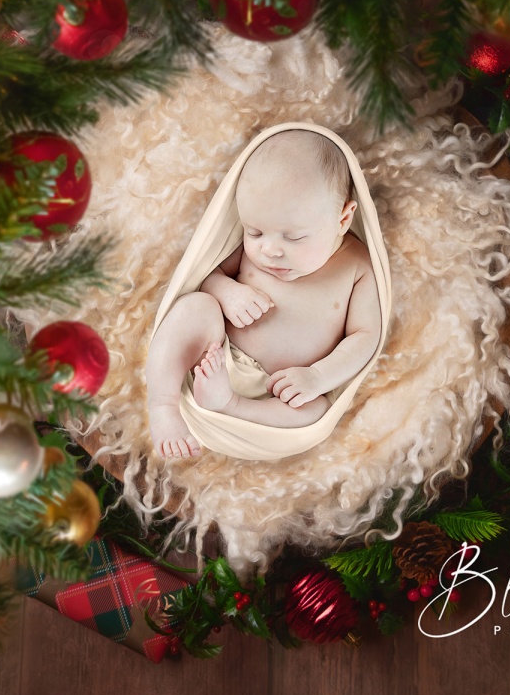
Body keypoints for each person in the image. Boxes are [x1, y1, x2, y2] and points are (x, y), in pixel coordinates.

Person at [146, 129, 383, 458]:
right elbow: (208, 276)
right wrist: (227, 292)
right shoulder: (251, 251)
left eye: (294, 237)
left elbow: (366, 335)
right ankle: (162, 405)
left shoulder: (358, 267)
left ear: (343, 218)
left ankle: (232, 406)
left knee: (315, 413)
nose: (269, 250)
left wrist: (317, 377)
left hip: (280, 392)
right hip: (214, 356)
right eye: (254, 231)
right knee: (195, 307)